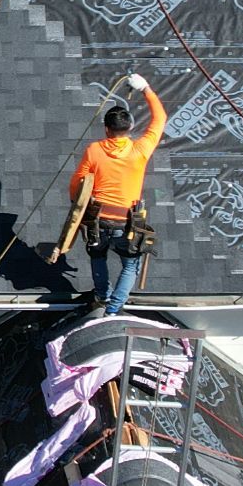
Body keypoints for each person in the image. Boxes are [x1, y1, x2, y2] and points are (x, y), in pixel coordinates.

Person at [68, 75, 165, 314]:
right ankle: (113, 309)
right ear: (130, 128)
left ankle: (102, 295)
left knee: (98, 256)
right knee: (130, 265)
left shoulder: (94, 150)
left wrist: (76, 207)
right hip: (127, 221)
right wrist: (145, 88)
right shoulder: (139, 150)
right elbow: (160, 118)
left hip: (98, 220)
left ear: (106, 129)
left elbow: (77, 182)